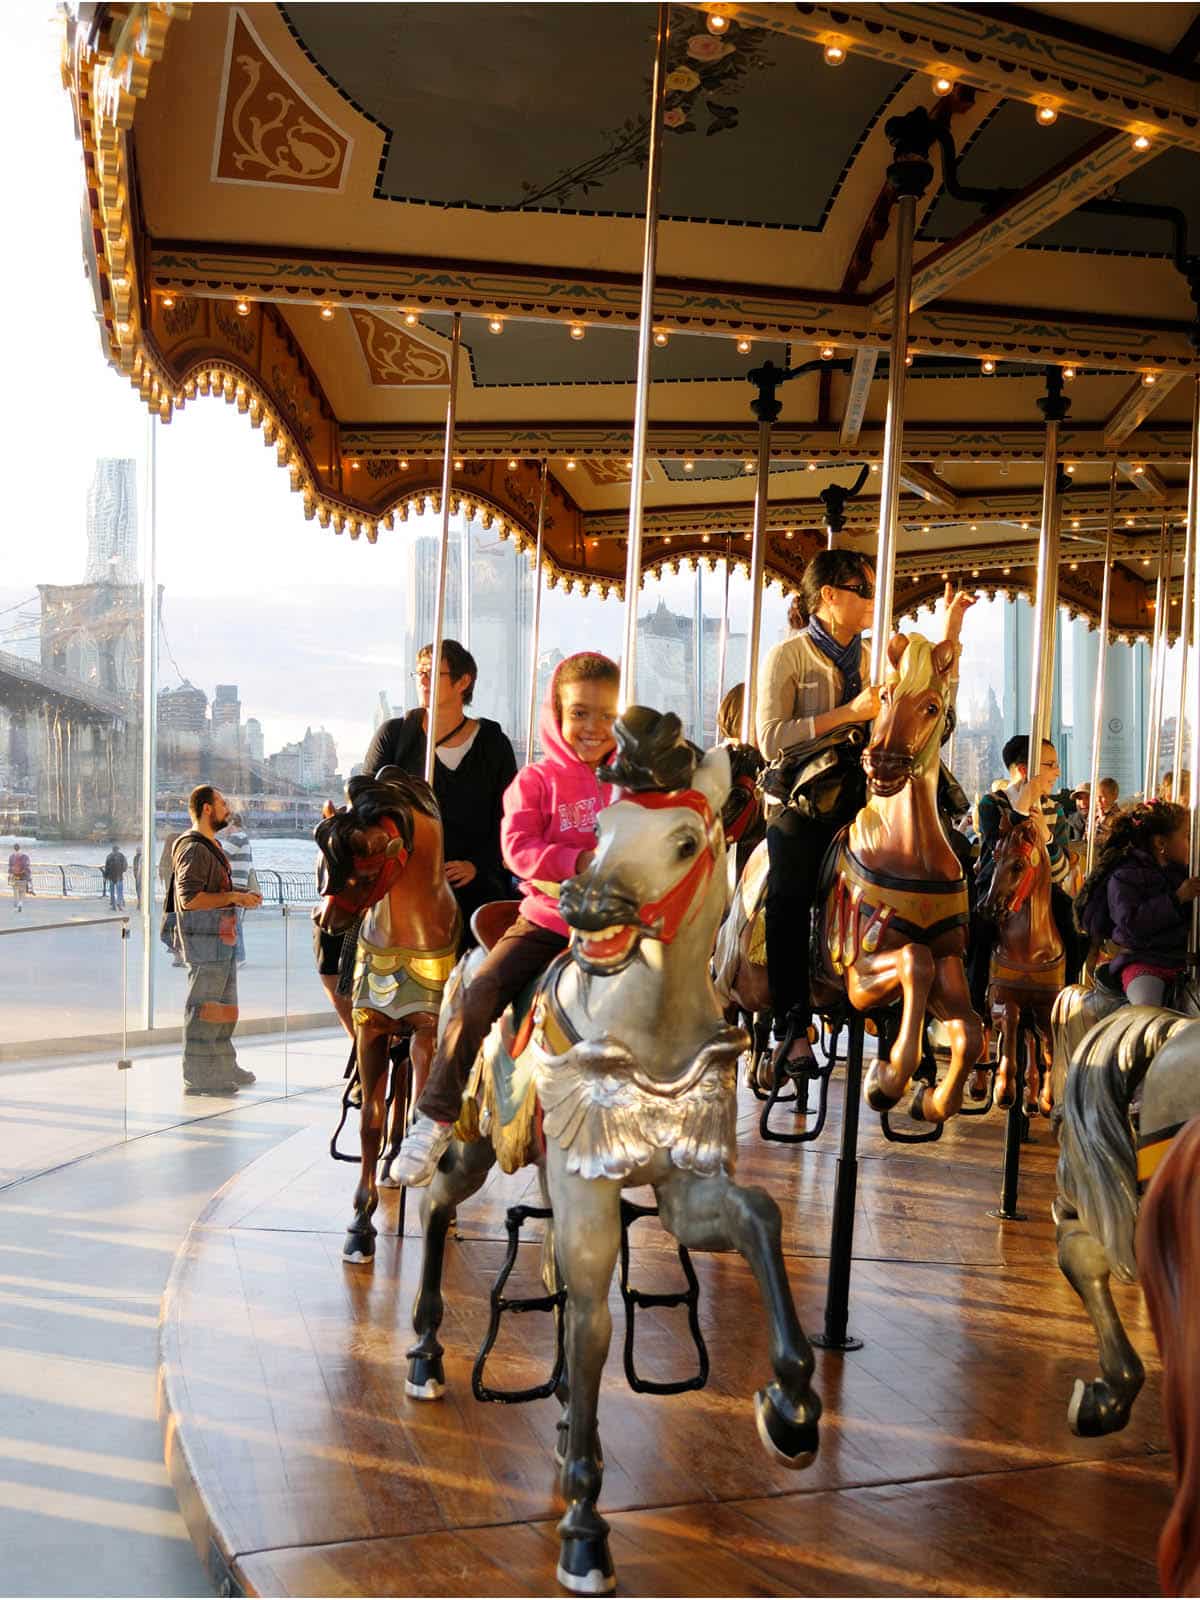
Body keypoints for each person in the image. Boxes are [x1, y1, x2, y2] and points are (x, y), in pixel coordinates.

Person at [388, 652, 620, 1185]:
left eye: (606, 716)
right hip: (551, 923)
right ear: (556, 713)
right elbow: (516, 847)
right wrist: (575, 861)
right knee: (482, 987)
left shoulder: (627, 782)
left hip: (618, 926)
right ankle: (435, 1116)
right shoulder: (538, 781)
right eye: (580, 713)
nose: (593, 728)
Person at [755, 551, 972, 1071]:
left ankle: (922, 1016)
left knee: (952, 861)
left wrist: (951, 632)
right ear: (829, 595)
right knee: (789, 890)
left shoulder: (878, 658)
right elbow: (768, 739)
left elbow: (931, 699)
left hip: (869, 792)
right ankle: (792, 1023)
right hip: (806, 796)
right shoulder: (789, 656)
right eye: (862, 590)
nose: (874, 602)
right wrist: (847, 715)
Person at [363, 639, 517, 949]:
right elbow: (366, 800)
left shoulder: (492, 743)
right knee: (341, 935)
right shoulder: (395, 736)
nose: (422, 679)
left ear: (463, 681)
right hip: (404, 873)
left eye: (432, 672)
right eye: (419, 671)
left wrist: (479, 864)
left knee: (490, 937)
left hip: (471, 876)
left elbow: (509, 816)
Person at [968, 733, 1082, 1017]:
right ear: (1024, 770)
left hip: (1042, 890)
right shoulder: (991, 804)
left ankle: (1065, 1003)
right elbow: (1004, 857)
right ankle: (974, 1005)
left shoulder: (1055, 810)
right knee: (979, 933)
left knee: (1074, 927)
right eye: (1050, 765)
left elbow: (1060, 871)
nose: (1057, 771)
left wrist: (1044, 832)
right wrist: (1020, 811)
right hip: (1000, 883)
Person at [170, 786, 262, 1094]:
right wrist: (236, 896)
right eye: (222, 803)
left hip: (220, 940)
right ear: (207, 808)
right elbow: (191, 898)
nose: (228, 808)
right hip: (205, 942)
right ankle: (198, 1075)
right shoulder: (194, 848)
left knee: (224, 1007)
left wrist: (240, 898)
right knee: (204, 1008)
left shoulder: (209, 845)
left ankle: (223, 1064)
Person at [1075, 800, 1200, 1006]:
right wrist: (1176, 899)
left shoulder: (1183, 874)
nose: (1193, 843)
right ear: (1161, 843)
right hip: (1145, 963)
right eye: (1187, 836)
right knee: (1148, 1010)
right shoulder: (1124, 876)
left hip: (1183, 961)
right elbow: (1130, 922)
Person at [222, 811, 255, 965]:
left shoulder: (236, 838)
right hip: (240, 884)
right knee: (235, 921)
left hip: (234, 885)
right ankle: (238, 956)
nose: (223, 829)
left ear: (231, 824)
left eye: (225, 825)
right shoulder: (244, 838)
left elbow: (220, 856)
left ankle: (238, 957)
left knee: (234, 922)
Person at [159, 829, 184, 965]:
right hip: (179, 902)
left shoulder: (165, 863)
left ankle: (177, 955)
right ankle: (179, 955)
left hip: (170, 901)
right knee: (179, 929)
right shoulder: (180, 862)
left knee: (169, 930)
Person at [1094, 776, 1121, 850]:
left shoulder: (1119, 818)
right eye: (1097, 796)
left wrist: (1102, 821)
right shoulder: (1093, 816)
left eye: (1102, 797)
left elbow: (1110, 840)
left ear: (1114, 796)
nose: (1098, 800)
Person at [102, 841, 127, 910]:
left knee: (112, 891)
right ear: (118, 849)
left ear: (112, 849)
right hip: (119, 876)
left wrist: (106, 876)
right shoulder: (122, 856)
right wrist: (122, 871)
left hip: (111, 877)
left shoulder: (109, 856)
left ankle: (113, 905)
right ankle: (119, 904)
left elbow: (106, 867)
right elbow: (125, 866)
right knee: (119, 891)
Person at [7, 841, 31, 913]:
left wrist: (10, 876)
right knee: (22, 892)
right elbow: (27, 867)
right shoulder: (25, 856)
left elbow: (10, 867)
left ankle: (15, 905)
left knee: (15, 891)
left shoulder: (11, 857)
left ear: (14, 848)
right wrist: (29, 876)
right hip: (23, 876)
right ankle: (20, 903)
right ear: (20, 848)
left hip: (14, 876)